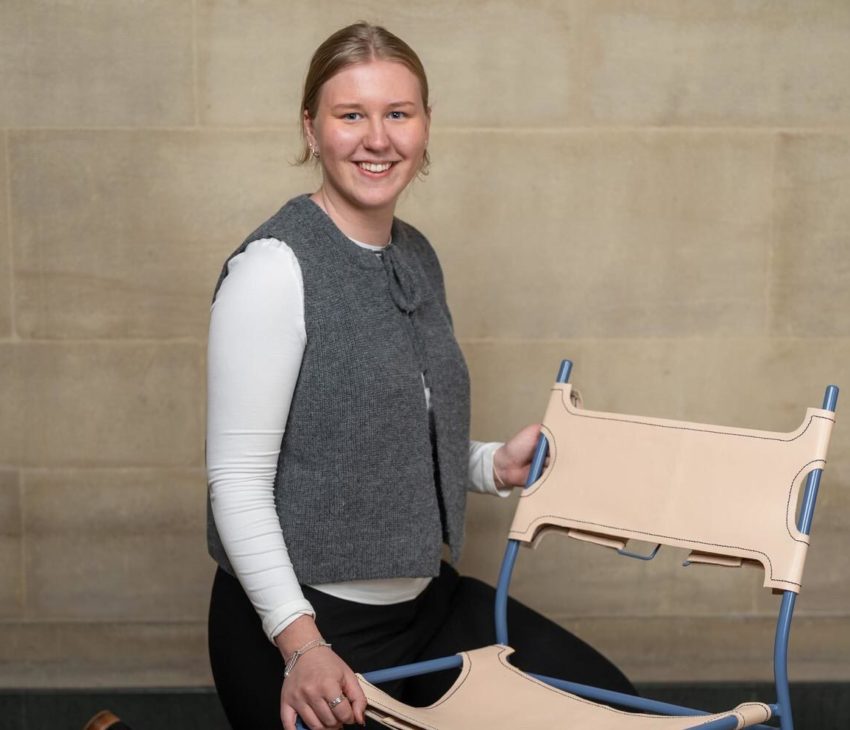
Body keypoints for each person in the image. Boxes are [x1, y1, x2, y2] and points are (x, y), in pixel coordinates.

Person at [206, 21, 633, 730]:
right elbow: (239, 481)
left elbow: (386, 438)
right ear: (311, 128)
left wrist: (495, 465)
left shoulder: (417, 254)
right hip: (304, 631)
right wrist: (301, 645)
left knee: (611, 705)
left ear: (426, 126)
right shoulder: (273, 270)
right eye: (352, 115)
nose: (378, 138)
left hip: (427, 609)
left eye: (398, 114)